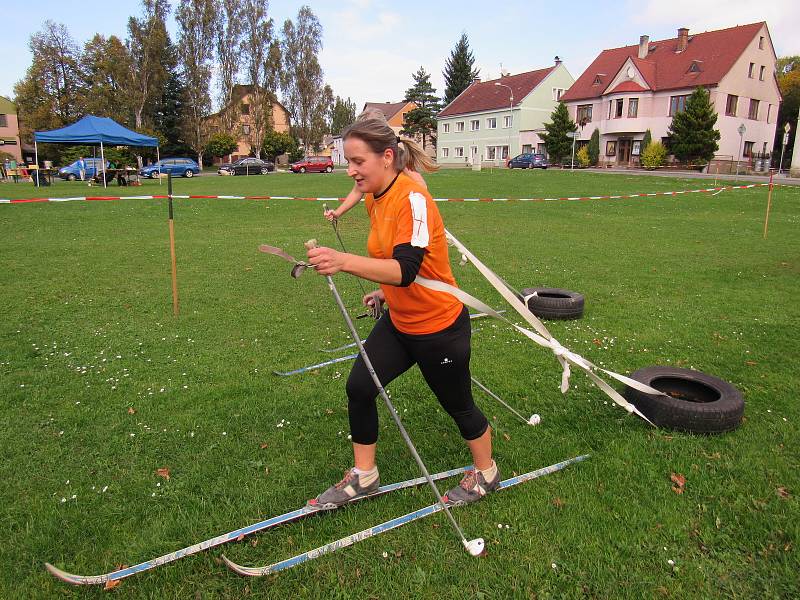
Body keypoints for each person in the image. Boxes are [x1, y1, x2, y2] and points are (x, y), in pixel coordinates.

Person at [306, 117, 499, 510]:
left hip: (438, 326)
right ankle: (365, 476)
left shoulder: (412, 198)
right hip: (400, 321)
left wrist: (344, 261)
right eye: (349, 161)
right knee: (360, 387)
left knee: (458, 405)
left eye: (358, 161)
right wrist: (382, 289)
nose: (351, 169)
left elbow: (408, 269)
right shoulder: (378, 194)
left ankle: (487, 472)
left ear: (387, 156)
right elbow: (396, 264)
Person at [324, 108, 428, 223]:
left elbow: (421, 187)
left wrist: (405, 205)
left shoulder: (398, 157)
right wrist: (337, 212)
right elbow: (356, 191)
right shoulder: (368, 177)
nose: (350, 172)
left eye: (358, 162)